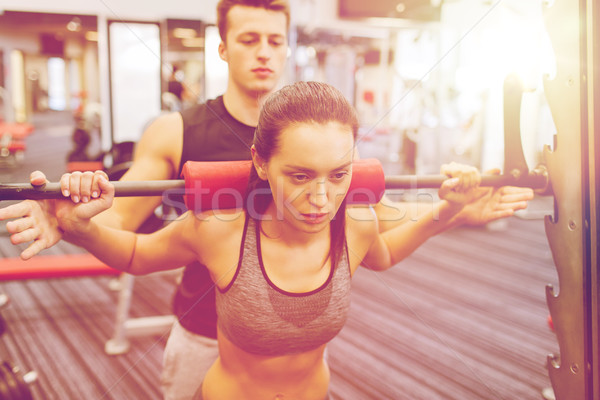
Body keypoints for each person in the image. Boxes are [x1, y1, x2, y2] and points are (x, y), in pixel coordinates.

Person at [0, 1, 534, 398]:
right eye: (250, 39)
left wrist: (451, 209)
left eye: (275, 41)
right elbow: (131, 234)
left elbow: (383, 228)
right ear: (223, 46)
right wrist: (75, 224)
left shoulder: (314, 125)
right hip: (207, 332)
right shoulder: (180, 137)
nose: (263, 52)